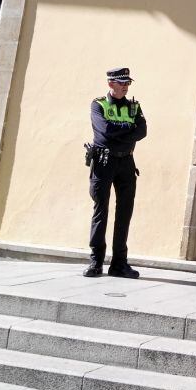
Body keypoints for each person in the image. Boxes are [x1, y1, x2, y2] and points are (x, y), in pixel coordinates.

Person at [84, 67, 147, 279]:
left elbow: (143, 131)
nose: (125, 87)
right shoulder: (98, 104)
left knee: (125, 212)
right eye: (121, 83)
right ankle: (96, 261)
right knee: (101, 210)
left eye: (128, 83)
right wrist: (128, 132)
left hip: (127, 162)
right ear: (111, 83)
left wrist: (121, 134)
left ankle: (119, 263)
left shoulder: (134, 106)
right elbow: (105, 132)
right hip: (104, 161)